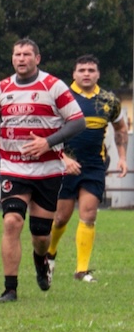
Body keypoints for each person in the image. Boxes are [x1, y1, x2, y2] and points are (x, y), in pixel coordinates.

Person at [0, 38, 85, 303]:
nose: (21, 58)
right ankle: (10, 289)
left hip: (47, 170)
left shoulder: (54, 86)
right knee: (11, 222)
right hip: (12, 167)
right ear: (12, 58)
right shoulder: (1, 88)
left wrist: (47, 142)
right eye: (17, 54)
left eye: (27, 54)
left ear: (37, 59)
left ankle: (41, 261)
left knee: (41, 236)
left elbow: (77, 122)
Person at [46, 54, 128, 283]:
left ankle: (81, 270)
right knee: (61, 217)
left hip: (94, 165)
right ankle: (49, 255)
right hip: (64, 164)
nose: (86, 74)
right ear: (74, 74)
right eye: (82, 70)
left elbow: (120, 128)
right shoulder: (61, 98)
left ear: (98, 74)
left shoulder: (109, 100)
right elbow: (46, 132)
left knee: (89, 214)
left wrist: (122, 158)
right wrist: (62, 158)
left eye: (91, 70)